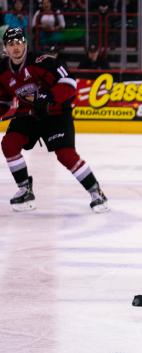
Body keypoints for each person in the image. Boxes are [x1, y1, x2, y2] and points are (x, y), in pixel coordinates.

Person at [0, 27, 109, 213]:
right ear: (5, 49)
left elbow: (69, 83)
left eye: (19, 42)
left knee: (66, 155)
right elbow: (3, 101)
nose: (16, 47)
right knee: (9, 144)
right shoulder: (2, 70)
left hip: (56, 114)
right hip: (29, 115)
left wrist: (47, 98)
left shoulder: (42, 61)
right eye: (11, 44)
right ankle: (25, 189)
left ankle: (95, 191)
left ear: (25, 43)